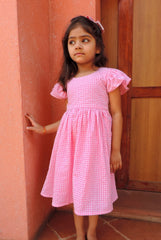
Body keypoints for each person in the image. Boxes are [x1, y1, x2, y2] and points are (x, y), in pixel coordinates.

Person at [25, 16, 131, 240]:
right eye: (72, 42)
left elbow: (117, 113)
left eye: (85, 40)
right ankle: (79, 233)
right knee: (77, 189)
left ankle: (91, 232)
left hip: (96, 147)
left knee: (93, 188)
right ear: (67, 49)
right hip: (72, 147)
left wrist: (115, 150)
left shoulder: (107, 76)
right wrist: (44, 129)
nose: (78, 46)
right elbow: (70, 117)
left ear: (98, 47)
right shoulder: (68, 81)